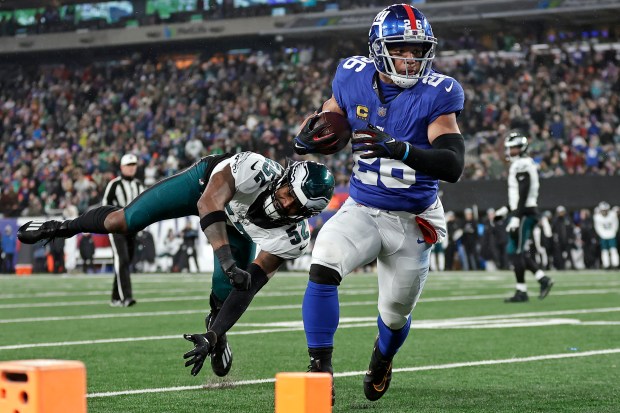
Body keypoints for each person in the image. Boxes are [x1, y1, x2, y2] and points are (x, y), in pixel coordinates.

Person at [17, 151, 335, 378]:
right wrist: (226, 260)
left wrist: (213, 334)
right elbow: (209, 203)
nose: (285, 204)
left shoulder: (293, 236)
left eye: (296, 206)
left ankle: (216, 334)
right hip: (204, 186)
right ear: (283, 178)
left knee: (229, 291)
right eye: (288, 193)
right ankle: (60, 227)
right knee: (124, 220)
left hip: (237, 228)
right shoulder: (254, 168)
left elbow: (249, 286)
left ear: (306, 216)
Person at [293, 4, 465, 403]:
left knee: (395, 313)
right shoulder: (351, 75)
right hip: (364, 206)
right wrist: (311, 132)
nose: (410, 58)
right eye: (401, 49)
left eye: (417, 49)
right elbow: (332, 112)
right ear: (378, 48)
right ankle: (320, 371)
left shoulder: (439, 92)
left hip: (413, 219)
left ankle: (383, 358)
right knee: (324, 260)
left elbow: (453, 165)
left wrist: (401, 149)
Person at [496, 130, 554, 303]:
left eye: (513, 148)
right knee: (515, 251)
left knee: (517, 252)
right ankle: (542, 279)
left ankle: (522, 291)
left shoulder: (522, 164)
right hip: (523, 211)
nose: (510, 151)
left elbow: (524, 191)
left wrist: (515, 215)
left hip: (525, 213)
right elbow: (519, 196)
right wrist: (506, 210)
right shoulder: (521, 163)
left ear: (522, 148)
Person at [102, 154, 145, 307]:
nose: (132, 167)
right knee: (123, 260)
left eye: (134, 164)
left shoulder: (140, 185)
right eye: (129, 165)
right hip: (117, 229)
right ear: (122, 167)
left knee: (125, 262)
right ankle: (126, 297)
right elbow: (105, 206)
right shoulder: (114, 184)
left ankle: (115, 297)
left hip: (132, 229)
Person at [593, 201, 619, 269]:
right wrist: (602, 234)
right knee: (604, 251)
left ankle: (615, 264)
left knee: (613, 250)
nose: (604, 212)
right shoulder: (597, 217)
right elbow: (597, 227)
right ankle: (606, 265)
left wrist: (613, 232)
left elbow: (615, 225)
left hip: (611, 235)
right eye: (603, 210)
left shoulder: (612, 215)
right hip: (603, 236)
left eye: (605, 210)